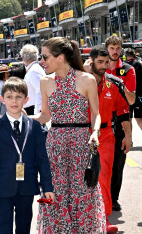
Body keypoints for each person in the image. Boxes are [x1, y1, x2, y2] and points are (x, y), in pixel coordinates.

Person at [35, 37, 106, 233]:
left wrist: (95, 134)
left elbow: (96, 114)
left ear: (61, 57)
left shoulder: (87, 79)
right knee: (54, 189)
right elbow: (45, 115)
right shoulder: (45, 81)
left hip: (81, 143)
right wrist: (23, 117)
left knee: (82, 190)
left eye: (45, 57)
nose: (42, 61)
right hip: (55, 143)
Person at [0, 77, 54, 234]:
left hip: (27, 187)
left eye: (19, 97)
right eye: (10, 96)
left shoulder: (35, 126)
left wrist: (47, 187)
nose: (14, 101)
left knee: (24, 229)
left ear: (26, 100)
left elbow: (42, 159)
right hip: (2, 188)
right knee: (4, 229)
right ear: (2, 99)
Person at [85, 45, 130, 234]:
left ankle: (103, 221)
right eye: (100, 62)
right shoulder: (79, 81)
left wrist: (128, 135)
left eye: (106, 62)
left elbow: (123, 111)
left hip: (106, 137)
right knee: (82, 180)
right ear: (91, 61)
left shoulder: (114, 83)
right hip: (81, 135)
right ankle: (84, 220)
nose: (104, 66)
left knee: (103, 178)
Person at [105, 35, 134, 212]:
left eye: (118, 48)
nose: (115, 52)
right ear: (107, 49)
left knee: (118, 163)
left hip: (122, 119)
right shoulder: (99, 66)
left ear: (121, 49)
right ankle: (101, 195)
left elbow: (130, 101)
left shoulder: (128, 70)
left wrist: (119, 85)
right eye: (112, 48)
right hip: (103, 119)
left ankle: (113, 198)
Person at [20, 44, 46, 115]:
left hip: (33, 109)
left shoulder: (33, 70)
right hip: (32, 108)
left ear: (23, 58)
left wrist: (37, 112)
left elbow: (40, 91)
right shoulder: (34, 69)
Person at [125, 48, 142, 131]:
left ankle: (129, 140)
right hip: (139, 95)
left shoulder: (124, 66)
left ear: (126, 56)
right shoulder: (138, 64)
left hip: (128, 95)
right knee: (139, 118)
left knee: (129, 119)